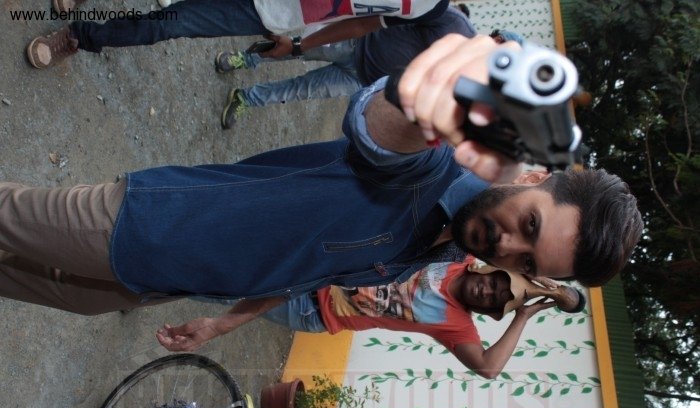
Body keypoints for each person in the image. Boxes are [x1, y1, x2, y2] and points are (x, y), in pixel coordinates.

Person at [0, 36, 642, 317]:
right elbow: (379, 132)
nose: (508, 245)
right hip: (143, 225)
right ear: (533, 178)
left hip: (161, 282)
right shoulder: (432, 169)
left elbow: (310, 269)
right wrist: (431, 98)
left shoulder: (437, 250)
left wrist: (223, 320)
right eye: (528, 224)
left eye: (527, 258)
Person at [156, 257, 585, 379]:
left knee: (225, 289)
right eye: (495, 283)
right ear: (488, 270)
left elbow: (489, 368)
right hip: (320, 267)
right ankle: (149, 280)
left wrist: (523, 316)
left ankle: (145, 282)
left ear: (491, 311)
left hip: (315, 310)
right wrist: (558, 288)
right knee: (228, 272)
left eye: (497, 300)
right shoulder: (457, 254)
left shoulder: (457, 326)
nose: (489, 292)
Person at [216, 4, 478, 129]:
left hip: (362, 80)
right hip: (356, 42)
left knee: (300, 90)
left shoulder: (462, 86)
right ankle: (244, 59)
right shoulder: (453, 24)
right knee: (296, 48)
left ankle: (246, 98)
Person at [26, 0, 449, 69]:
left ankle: (79, 36)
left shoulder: (428, 8)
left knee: (167, 24)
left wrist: (299, 44)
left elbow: (360, 24)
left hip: (266, 11)